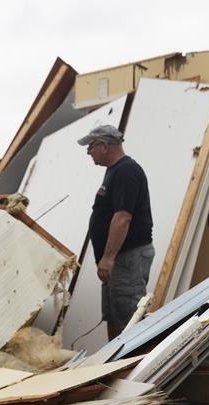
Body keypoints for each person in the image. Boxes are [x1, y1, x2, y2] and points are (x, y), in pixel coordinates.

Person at [78, 124, 154, 340]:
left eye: (90, 146)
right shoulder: (114, 171)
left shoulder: (126, 171)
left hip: (126, 258)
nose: (88, 151)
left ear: (104, 146)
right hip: (117, 260)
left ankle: (132, 368)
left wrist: (109, 257)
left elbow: (123, 217)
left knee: (130, 318)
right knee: (114, 315)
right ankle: (113, 365)